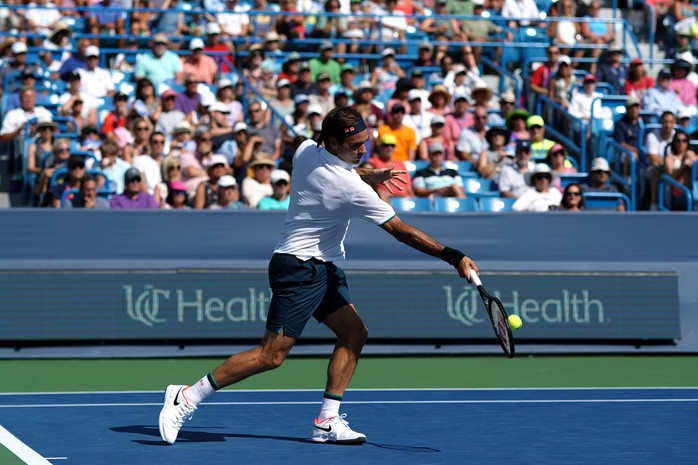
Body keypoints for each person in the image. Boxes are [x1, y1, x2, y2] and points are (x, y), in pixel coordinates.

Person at [157, 106, 479, 445]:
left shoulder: (307, 150)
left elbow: (343, 169)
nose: (362, 150)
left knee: (354, 333)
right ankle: (187, 396)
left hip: (322, 267)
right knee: (271, 356)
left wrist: (369, 175)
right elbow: (400, 231)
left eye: (365, 142)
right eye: (355, 145)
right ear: (335, 142)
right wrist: (453, 257)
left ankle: (326, 420)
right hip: (299, 268)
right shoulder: (348, 187)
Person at [368, 134, 414, 201]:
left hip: (404, 201)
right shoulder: (372, 163)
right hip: (383, 201)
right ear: (379, 147)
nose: (389, 148)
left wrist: (412, 199)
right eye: (386, 145)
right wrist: (379, 192)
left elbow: (409, 188)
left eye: (392, 145)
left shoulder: (401, 164)